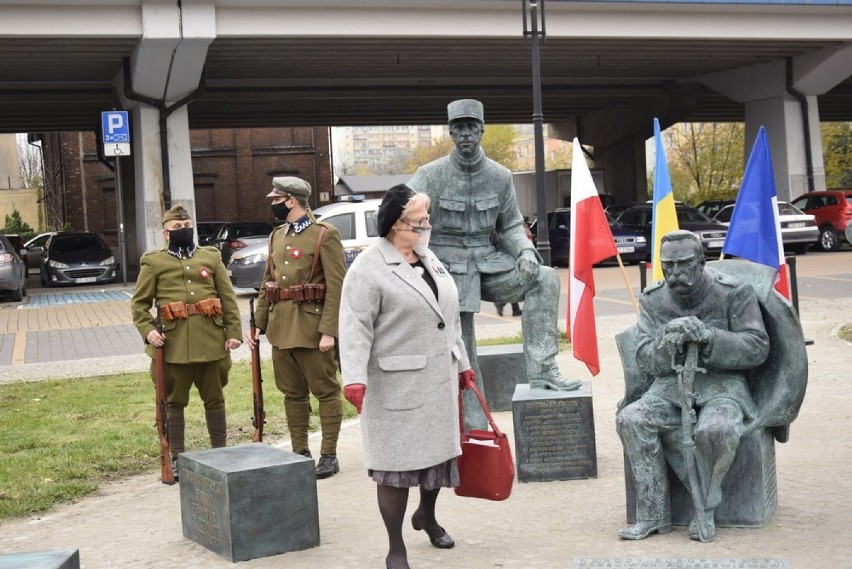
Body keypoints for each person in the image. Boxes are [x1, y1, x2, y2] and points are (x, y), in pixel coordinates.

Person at [407, 98, 579, 423]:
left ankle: (543, 371)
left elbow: (511, 224)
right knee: (464, 344)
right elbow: (398, 209)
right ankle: (475, 425)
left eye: (472, 127)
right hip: (448, 271)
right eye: (460, 128)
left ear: (482, 130)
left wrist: (526, 251)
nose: (466, 135)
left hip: (489, 264)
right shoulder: (431, 175)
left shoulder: (499, 176)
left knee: (544, 278)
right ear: (451, 133)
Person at [338, 185, 476, 569]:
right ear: (396, 224)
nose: (425, 226)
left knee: (436, 460)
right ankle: (395, 547)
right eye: (419, 221)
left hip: (439, 379)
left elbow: (449, 320)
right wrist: (353, 378)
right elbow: (354, 327)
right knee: (396, 468)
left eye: (426, 219)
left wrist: (463, 365)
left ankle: (427, 516)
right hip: (394, 384)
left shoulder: (430, 259)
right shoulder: (369, 268)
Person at [616, 230, 770, 541]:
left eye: (684, 264)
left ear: (701, 261)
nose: (674, 273)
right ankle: (653, 514)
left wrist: (709, 337)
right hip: (670, 390)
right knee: (631, 420)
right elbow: (645, 357)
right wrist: (665, 337)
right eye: (667, 266)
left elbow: (757, 347)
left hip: (723, 387)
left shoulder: (733, 292)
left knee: (714, 431)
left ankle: (707, 504)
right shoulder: (653, 298)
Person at [131, 204, 243, 480]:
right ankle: (178, 458)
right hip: (174, 344)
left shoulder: (211, 256)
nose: (184, 230)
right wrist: (148, 331)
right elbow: (140, 304)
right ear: (166, 233)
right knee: (174, 402)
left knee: (215, 399)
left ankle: (220, 454)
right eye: (177, 228)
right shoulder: (154, 261)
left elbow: (227, 297)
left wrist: (233, 332)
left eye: (187, 226)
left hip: (211, 341)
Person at [245, 176, 347, 479]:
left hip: (313, 329)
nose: (273, 205)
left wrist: (330, 330)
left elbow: (337, 287)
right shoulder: (277, 235)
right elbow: (268, 284)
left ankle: (329, 454)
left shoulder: (324, 235)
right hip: (280, 327)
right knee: (292, 394)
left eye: (276, 200)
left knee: (326, 392)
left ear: (291, 200)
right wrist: (258, 326)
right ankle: (300, 451)